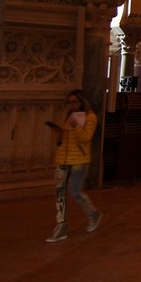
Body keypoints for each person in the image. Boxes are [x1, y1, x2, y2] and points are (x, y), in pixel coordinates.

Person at [45, 89, 101, 242]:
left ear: (82, 102)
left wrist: (75, 126)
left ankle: (93, 214)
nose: (71, 105)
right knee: (59, 193)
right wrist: (58, 133)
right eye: (69, 103)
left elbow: (85, 139)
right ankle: (61, 226)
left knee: (75, 191)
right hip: (62, 160)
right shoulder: (68, 118)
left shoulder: (90, 118)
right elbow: (63, 142)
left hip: (79, 161)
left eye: (74, 102)